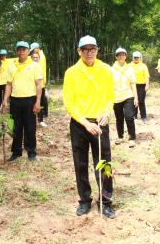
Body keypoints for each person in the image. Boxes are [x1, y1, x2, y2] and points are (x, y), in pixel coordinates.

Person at [63, 35, 115, 219]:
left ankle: (106, 201)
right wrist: (85, 123)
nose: (89, 52)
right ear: (79, 51)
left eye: (92, 49)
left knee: (104, 162)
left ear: (97, 50)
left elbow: (110, 96)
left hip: (101, 123)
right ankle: (84, 200)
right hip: (80, 123)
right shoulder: (71, 72)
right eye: (85, 49)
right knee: (81, 163)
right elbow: (68, 102)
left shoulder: (106, 70)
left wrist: (107, 113)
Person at [2, 41, 43, 161]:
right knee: (16, 127)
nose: (21, 52)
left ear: (28, 51)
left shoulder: (35, 65)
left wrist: (38, 101)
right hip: (15, 101)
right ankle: (16, 152)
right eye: (19, 49)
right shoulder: (11, 65)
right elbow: (8, 84)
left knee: (30, 127)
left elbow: (38, 85)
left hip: (30, 100)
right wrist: (5, 99)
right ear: (16, 51)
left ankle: (31, 153)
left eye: (23, 49)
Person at [111, 47, 138, 147]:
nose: (122, 56)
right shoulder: (111, 69)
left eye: (124, 54)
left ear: (126, 56)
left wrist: (136, 98)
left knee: (129, 117)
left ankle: (132, 138)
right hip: (116, 97)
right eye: (119, 55)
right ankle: (120, 137)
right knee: (119, 118)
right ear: (116, 57)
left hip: (128, 95)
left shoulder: (130, 68)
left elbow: (133, 83)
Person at [30, 42, 48, 126]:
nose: (34, 57)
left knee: (39, 101)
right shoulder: (37, 56)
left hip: (40, 84)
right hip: (33, 84)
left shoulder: (41, 57)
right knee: (34, 101)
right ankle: (35, 119)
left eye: (33, 50)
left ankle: (40, 120)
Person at [129, 51, 150, 123]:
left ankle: (143, 116)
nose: (136, 59)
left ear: (140, 58)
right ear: (133, 58)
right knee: (133, 101)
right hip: (132, 85)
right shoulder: (129, 65)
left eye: (137, 57)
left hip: (141, 85)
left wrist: (147, 85)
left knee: (141, 101)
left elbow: (147, 76)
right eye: (135, 57)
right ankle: (134, 115)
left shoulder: (143, 66)